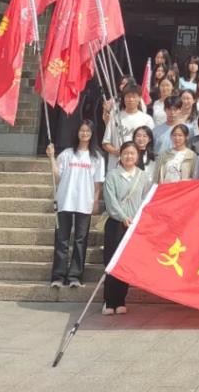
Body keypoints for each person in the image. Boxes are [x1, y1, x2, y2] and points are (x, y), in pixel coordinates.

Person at [46, 120, 104, 288]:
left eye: (88, 131)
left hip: (84, 202)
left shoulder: (97, 157)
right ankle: (58, 276)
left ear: (92, 134)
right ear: (77, 132)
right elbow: (57, 177)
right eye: (82, 130)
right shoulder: (67, 154)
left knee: (80, 240)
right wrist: (51, 157)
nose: (84, 133)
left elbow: (97, 183)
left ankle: (75, 276)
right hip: (65, 200)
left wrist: (95, 201)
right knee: (61, 239)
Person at [102, 142, 151, 315]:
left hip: (134, 225)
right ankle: (109, 301)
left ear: (137, 156)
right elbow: (110, 200)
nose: (129, 156)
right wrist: (123, 217)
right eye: (125, 153)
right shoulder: (112, 175)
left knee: (125, 262)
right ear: (120, 156)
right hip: (116, 224)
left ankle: (121, 300)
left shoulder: (143, 176)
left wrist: (137, 219)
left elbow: (145, 200)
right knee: (112, 261)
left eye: (132, 153)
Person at [101, 84, 153, 172]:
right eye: (128, 96)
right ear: (123, 98)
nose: (131, 99)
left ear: (139, 98)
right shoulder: (115, 118)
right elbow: (106, 143)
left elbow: (151, 143)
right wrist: (117, 152)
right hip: (116, 167)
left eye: (134, 97)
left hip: (139, 167)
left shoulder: (147, 119)